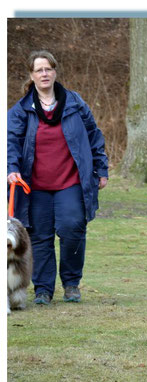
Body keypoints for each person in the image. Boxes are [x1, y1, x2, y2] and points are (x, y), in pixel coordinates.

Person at [7, 50, 109, 305]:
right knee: (39, 235)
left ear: (55, 72)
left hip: (70, 182)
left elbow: (94, 136)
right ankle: (43, 289)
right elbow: (10, 143)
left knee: (73, 228)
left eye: (48, 69)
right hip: (34, 186)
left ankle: (72, 284)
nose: (44, 73)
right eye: (39, 70)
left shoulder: (75, 103)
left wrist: (101, 168)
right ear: (31, 75)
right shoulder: (21, 110)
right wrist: (11, 167)